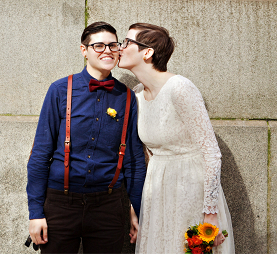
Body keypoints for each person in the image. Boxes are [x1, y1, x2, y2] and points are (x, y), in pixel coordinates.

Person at [27, 21, 147, 254]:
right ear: (84, 51)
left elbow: (134, 162)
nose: (107, 51)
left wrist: (137, 211)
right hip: (60, 204)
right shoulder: (60, 90)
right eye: (99, 46)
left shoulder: (128, 98)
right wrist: (36, 213)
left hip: (109, 207)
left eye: (113, 45)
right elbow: (40, 154)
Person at [118, 23, 234, 254]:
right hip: (157, 189)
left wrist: (210, 212)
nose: (120, 47)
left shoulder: (180, 87)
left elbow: (211, 151)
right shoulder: (138, 95)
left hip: (189, 187)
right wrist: (135, 208)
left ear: (147, 52)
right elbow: (143, 156)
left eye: (127, 42)